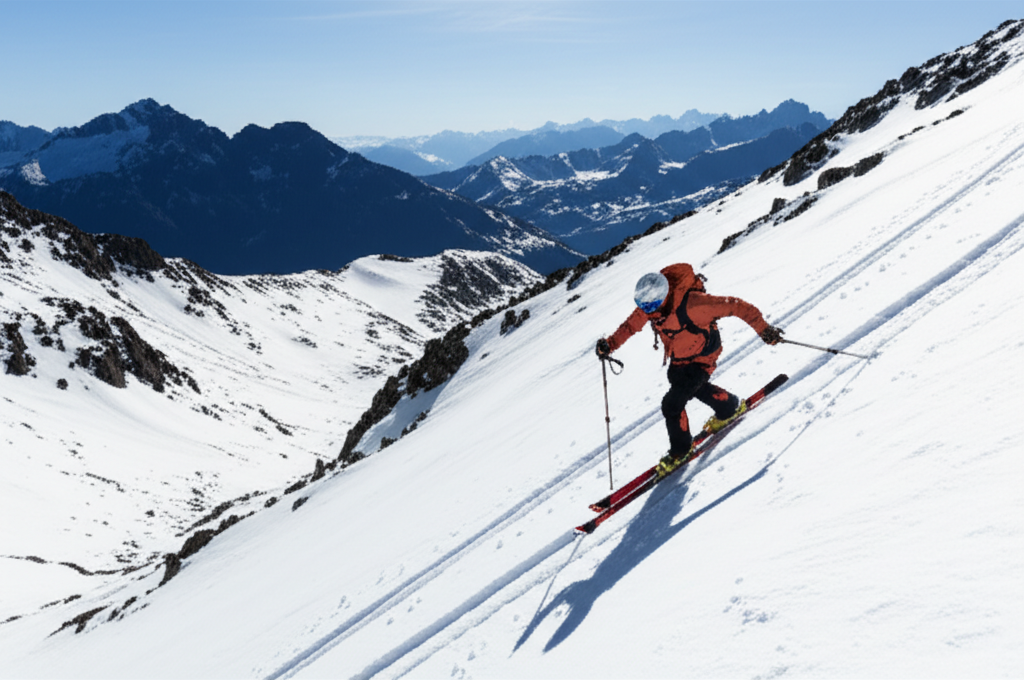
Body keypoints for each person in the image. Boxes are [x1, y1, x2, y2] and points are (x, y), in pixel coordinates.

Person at [596, 263, 784, 475]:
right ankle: (729, 407)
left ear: (664, 296)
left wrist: (765, 330)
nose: (648, 312)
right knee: (679, 380)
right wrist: (609, 344)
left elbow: (737, 306)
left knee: (671, 404)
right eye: (645, 307)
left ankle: (681, 450)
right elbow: (631, 326)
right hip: (681, 356)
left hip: (703, 355)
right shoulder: (651, 306)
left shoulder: (694, 305)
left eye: (652, 307)